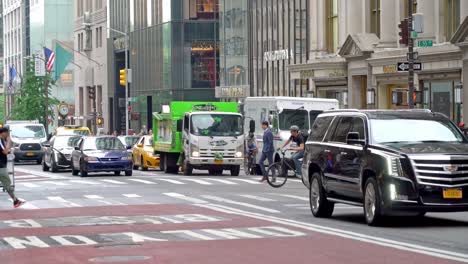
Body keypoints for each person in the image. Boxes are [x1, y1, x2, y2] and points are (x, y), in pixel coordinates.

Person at [0, 128, 25, 208]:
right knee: (7, 184)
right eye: (7, 133)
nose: (8, 135)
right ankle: (15, 201)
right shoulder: (0, 140)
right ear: (3, 133)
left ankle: (15, 200)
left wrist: (10, 151)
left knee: (7, 184)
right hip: (0, 167)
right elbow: (4, 151)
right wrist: (8, 141)